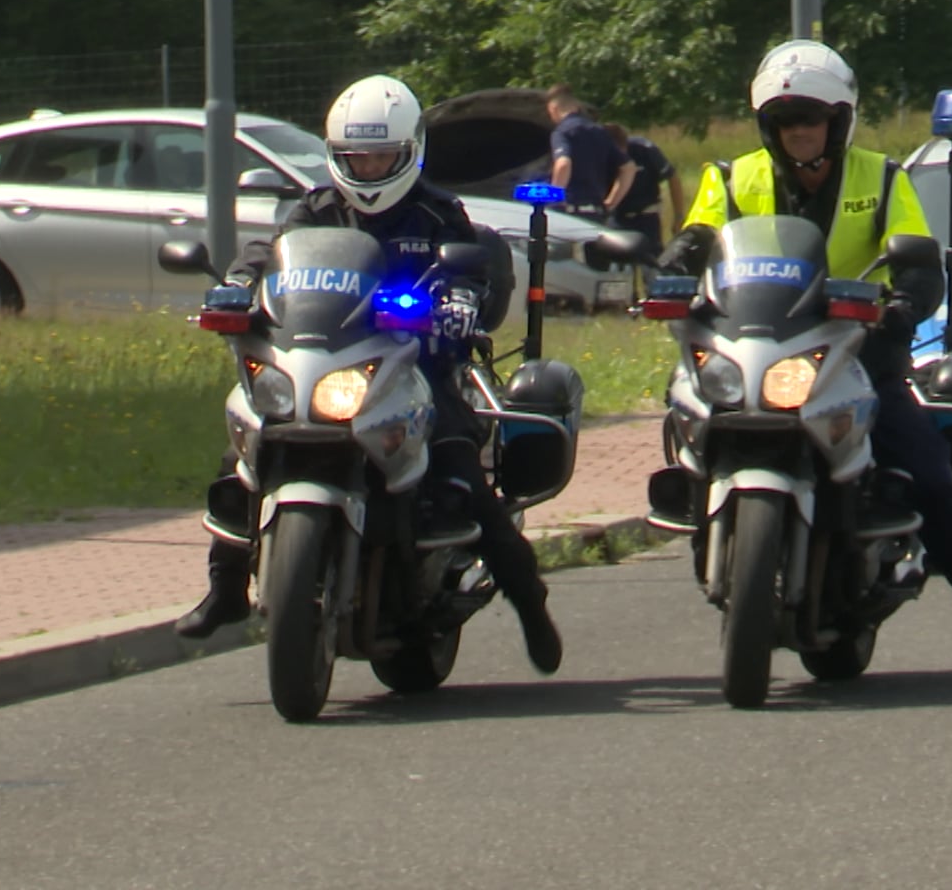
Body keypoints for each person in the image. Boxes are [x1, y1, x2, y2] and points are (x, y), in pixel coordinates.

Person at [173, 74, 563, 674]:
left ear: (409, 152)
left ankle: (530, 604)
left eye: (382, 154)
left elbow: (472, 268)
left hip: (418, 370)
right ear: (336, 155)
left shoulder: (438, 213)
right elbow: (271, 253)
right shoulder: (315, 209)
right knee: (242, 461)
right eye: (358, 156)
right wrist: (237, 285)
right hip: (322, 364)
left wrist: (462, 297)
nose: (370, 167)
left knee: (464, 478)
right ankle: (226, 590)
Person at [657, 38, 952, 672]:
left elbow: (916, 254)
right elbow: (698, 235)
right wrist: (675, 264)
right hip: (753, 344)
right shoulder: (730, 177)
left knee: (931, 473)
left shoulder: (881, 176)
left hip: (855, 350)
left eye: (813, 118)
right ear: (770, 126)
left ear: (839, 119)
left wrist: (905, 305)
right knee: (685, 416)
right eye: (787, 120)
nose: (800, 132)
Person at [545, 84, 636, 220]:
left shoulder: (561, 132)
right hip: (596, 213)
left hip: (571, 212)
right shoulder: (599, 131)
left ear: (554, 109)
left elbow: (563, 164)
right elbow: (629, 168)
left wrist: (554, 200)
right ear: (576, 107)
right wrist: (611, 203)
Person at [604, 123, 687, 255]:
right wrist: (558, 200)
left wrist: (678, 216)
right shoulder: (589, 153)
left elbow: (672, 176)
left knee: (652, 261)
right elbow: (562, 181)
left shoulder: (644, 148)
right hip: (615, 217)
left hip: (646, 216)